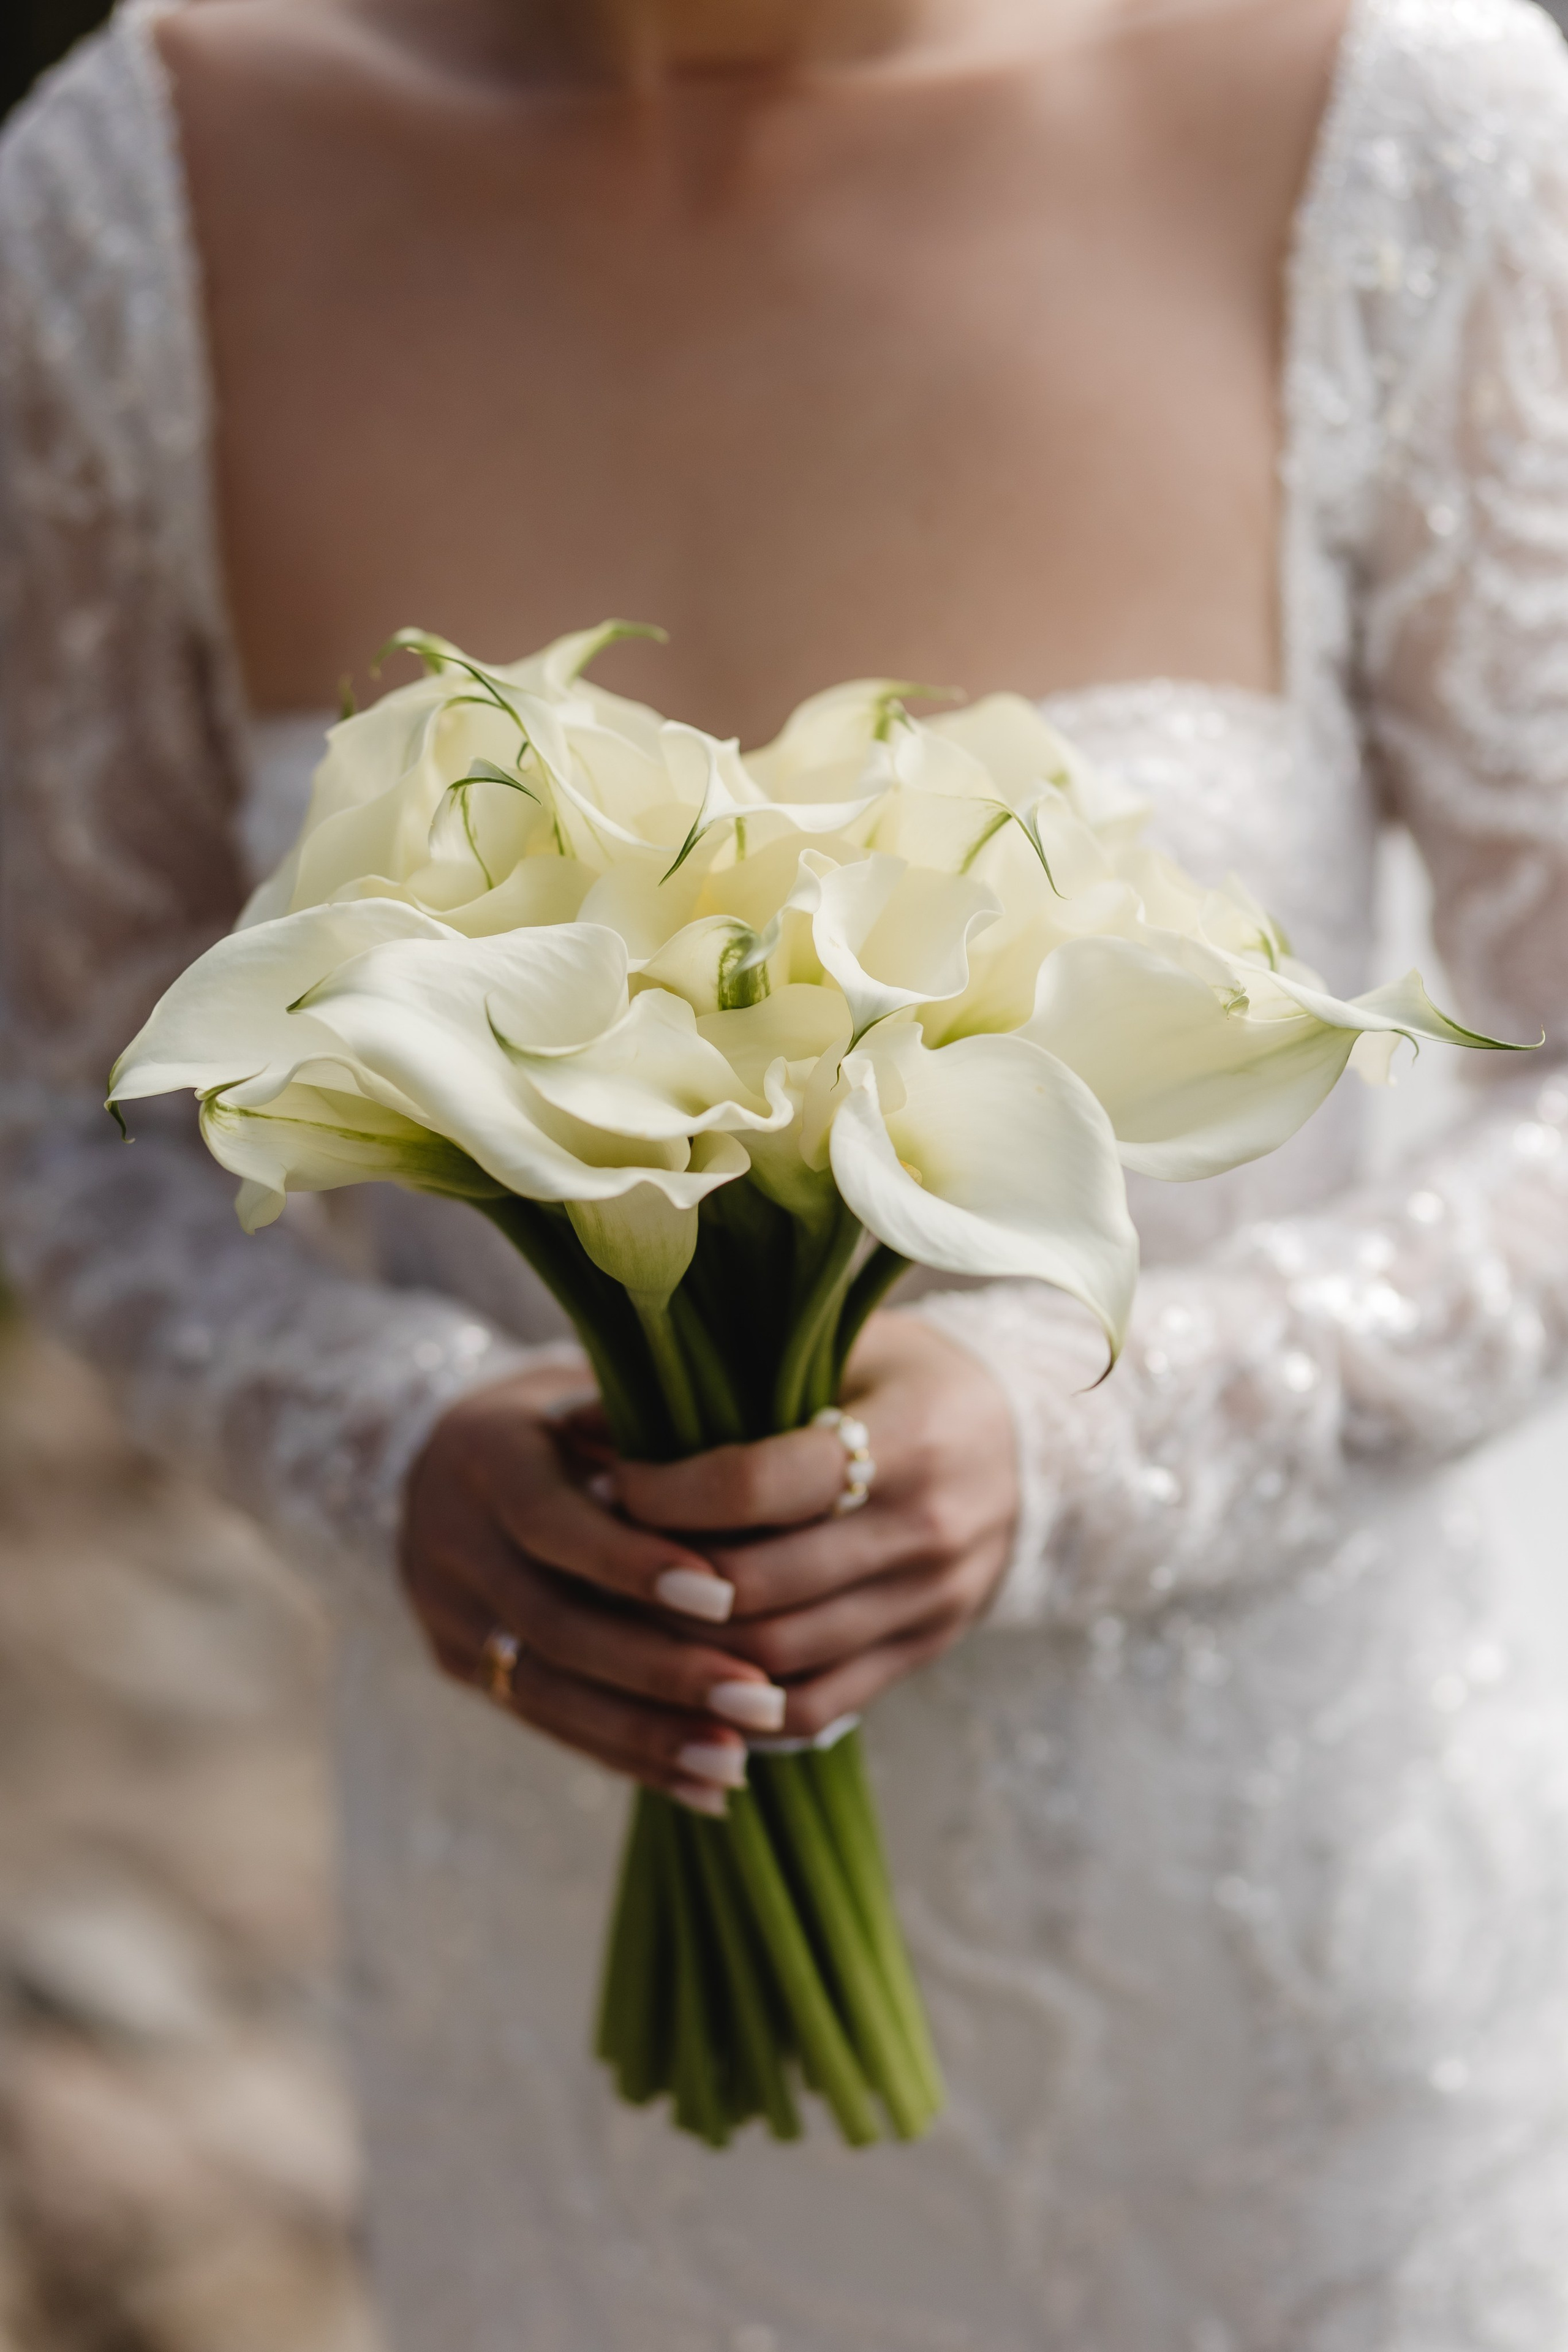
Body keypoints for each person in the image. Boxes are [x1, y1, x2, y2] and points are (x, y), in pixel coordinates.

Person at [4, 0, 1568, 2340]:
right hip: (557, 1967)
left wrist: (1083, 1438)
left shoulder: (1398, 133)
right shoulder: (155, 183)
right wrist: (382, 1435)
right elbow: (67, 1091)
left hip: (1277, 1991)